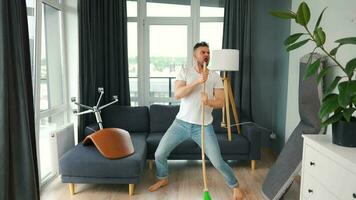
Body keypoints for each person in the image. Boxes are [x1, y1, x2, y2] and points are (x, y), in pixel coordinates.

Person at [148, 42, 244, 200]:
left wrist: (209, 102)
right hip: (181, 124)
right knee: (159, 153)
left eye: (208, 52)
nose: (206, 55)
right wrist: (198, 81)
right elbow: (178, 94)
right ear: (195, 56)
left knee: (218, 162)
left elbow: (221, 102)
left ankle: (235, 186)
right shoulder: (185, 71)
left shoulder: (215, 76)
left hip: (203, 126)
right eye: (202, 52)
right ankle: (163, 178)